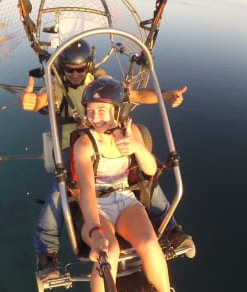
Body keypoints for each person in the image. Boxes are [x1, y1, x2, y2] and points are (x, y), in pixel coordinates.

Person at [20, 40, 195, 280]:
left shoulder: (101, 84)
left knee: (145, 181)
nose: (74, 74)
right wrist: (32, 102)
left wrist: (165, 95)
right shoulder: (58, 86)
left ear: (88, 67)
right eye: (69, 69)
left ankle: (171, 228)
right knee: (60, 190)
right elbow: (43, 99)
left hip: (110, 147)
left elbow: (132, 95)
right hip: (71, 147)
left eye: (79, 69)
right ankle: (46, 253)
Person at [74, 77, 170, 291]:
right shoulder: (84, 145)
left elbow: (151, 170)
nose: (94, 117)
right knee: (110, 252)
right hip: (97, 207)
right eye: (90, 110)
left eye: (101, 110)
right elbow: (87, 191)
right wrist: (96, 232)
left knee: (150, 244)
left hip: (125, 199)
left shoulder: (131, 131)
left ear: (119, 111)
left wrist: (136, 146)